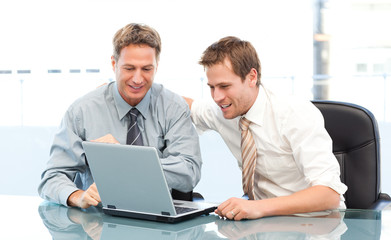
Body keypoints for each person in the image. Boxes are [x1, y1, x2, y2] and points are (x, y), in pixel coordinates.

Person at [38, 23, 202, 209]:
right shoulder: (82, 111)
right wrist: (78, 196)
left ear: (156, 66)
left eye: (147, 69)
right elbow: (52, 177)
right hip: (98, 221)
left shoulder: (173, 107)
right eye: (129, 68)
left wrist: (128, 161)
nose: (138, 79)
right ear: (114, 64)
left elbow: (190, 171)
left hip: (158, 218)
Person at [184, 36, 347, 220]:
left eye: (224, 86)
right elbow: (184, 105)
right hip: (266, 223)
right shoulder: (223, 109)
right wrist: (145, 82)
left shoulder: (294, 113)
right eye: (212, 87)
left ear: (252, 77)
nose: (217, 96)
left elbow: (330, 194)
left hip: (316, 223)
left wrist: (257, 207)